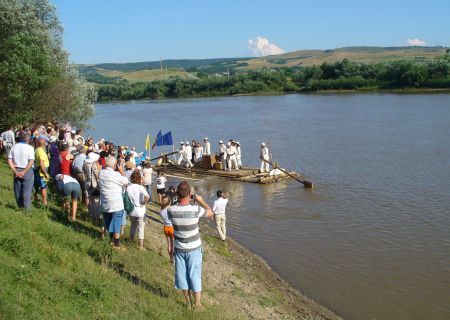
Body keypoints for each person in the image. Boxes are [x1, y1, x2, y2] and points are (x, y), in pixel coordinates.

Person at [167, 181, 213, 309]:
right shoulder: (195, 209)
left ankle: (188, 303)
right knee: (194, 274)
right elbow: (210, 212)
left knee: (182, 275)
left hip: (179, 248)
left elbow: (174, 207)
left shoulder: (171, 211)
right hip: (194, 248)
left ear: (177, 194)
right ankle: (198, 304)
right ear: (190, 194)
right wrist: (200, 200)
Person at [98, 156, 129, 251]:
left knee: (108, 219)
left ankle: (111, 238)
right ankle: (116, 244)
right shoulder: (116, 175)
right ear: (115, 165)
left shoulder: (101, 173)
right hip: (116, 202)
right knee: (117, 221)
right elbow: (126, 182)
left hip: (105, 201)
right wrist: (121, 171)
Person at [7, 132, 35, 210]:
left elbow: (9, 160)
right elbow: (31, 161)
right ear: (28, 139)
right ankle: (27, 210)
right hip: (27, 170)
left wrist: (15, 171)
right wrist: (24, 171)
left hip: (16, 169)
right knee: (27, 191)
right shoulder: (30, 148)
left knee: (17, 190)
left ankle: (20, 207)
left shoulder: (14, 147)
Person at [126, 170, 149, 250]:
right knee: (141, 228)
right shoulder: (140, 187)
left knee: (133, 226)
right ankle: (141, 246)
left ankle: (131, 241)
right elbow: (146, 197)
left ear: (131, 179)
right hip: (140, 211)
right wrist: (143, 202)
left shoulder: (128, 187)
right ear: (139, 179)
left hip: (132, 211)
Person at [83, 152, 102, 232]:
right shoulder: (93, 165)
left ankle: (90, 215)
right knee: (95, 201)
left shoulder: (84, 164)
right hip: (93, 184)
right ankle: (95, 218)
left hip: (87, 182)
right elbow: (96, 175)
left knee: (90, 199)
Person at [33, 138, 50, 206]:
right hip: (42, 171)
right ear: (44, 144)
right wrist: (46, 173)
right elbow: (41, 163)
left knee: (36, 186)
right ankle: (45, 202)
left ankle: (35, 198)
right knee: (44, 187)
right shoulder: (42, 152)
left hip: (37, 170)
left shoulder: (36, 150)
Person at [159, 195, 174, 263]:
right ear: (169, 202)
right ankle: (173, 259)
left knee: (168, 244)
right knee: (173, 244)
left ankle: (171, 258)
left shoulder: (161, 211)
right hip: (171, 228)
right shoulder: (171, 210)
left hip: (165, 228)